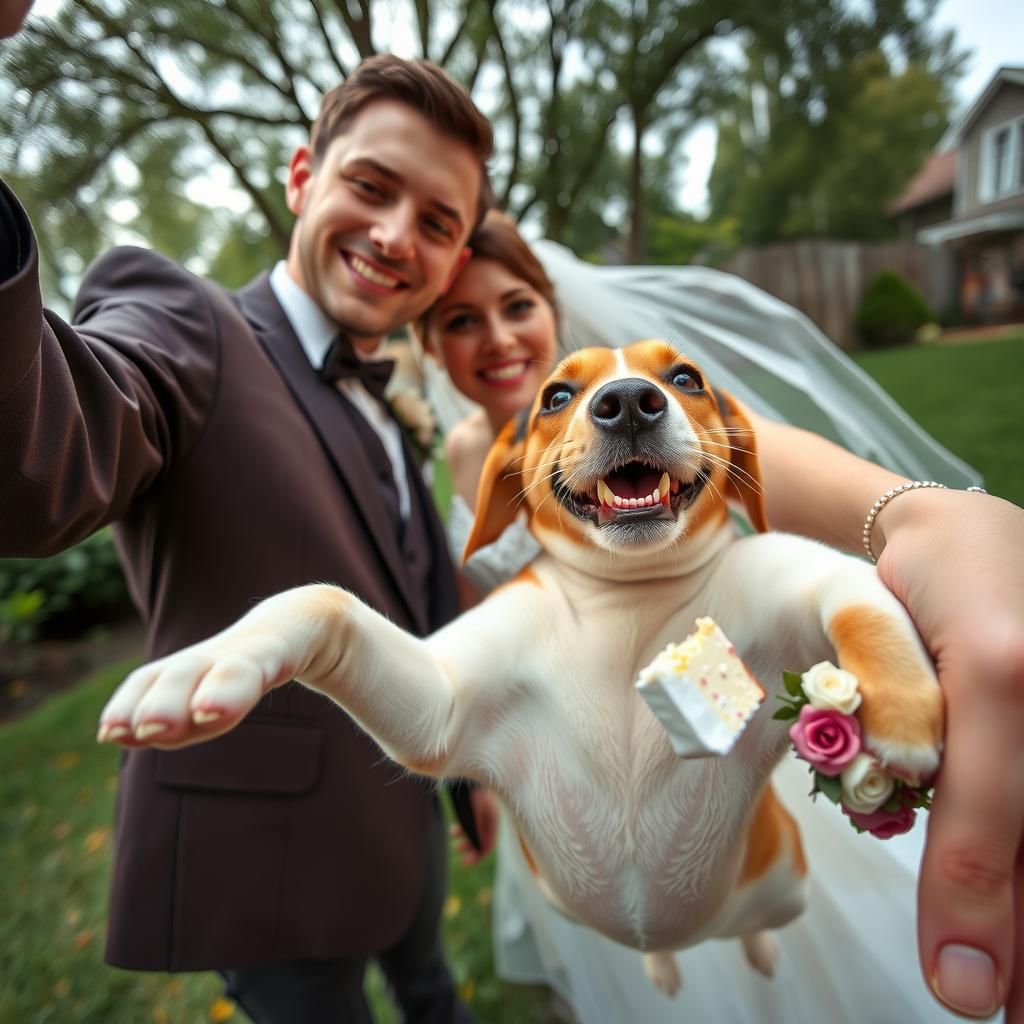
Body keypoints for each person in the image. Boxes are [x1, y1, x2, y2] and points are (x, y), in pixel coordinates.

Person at [0, 13, 501, 1019]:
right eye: (370, 186)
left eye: (438, 222)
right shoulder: (187, 321)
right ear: (300, 177)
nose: (398, 234)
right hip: (273, 861)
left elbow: (415, 612)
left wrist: (463, 773)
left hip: (401, 823)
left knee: (435, 996)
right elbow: (38, 464)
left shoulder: (396, 406)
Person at [414, 210, 1024, 1022]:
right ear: (429, 346)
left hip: (704, 686)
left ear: (552, 309)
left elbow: (768, 453)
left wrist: (918, 515)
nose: (497, 338)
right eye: (462, 321)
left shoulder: (657, 406)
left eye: (516, 305)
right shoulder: (465, 453)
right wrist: (484, 779)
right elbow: (481, 609)